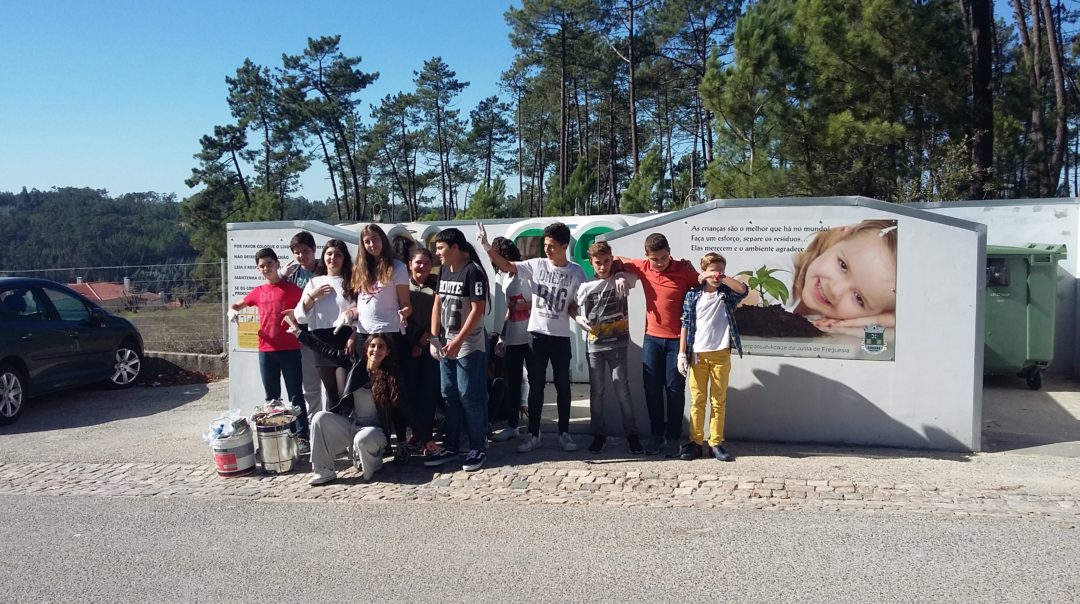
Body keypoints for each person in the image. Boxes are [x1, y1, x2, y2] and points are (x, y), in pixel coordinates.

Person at [477, 221, 586, 454]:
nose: (547, 250)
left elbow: (574, 305)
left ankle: (564, 433)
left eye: (552, 245)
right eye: (545, 245)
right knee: (536, 385)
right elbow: (507, 265)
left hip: (560, 336)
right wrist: (487, 246)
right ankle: (533, 434)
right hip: (536, 335)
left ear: (565, 245)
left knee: (563, 385)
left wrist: (580, 319)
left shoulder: (576, 271)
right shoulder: (537, 265)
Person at [613, 233, 701, 458]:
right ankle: (656, 436)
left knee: (674, 391)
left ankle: (673, 439)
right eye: (655, 259)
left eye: (664, 257)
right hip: (651, 338)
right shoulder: (643, 267)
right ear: (647, 256)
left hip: (677, 342)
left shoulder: (683, 270)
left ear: (669, 251)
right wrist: (620, 273)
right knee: (651, 390)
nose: (660, 263)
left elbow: (702, 285)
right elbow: (614, 259)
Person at [340, 224, 412, 464]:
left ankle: (401, 440)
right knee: (369, 390)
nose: (372, 245)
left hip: (390, 334)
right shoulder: (359, 269)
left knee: (394, 389)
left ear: (383, 240)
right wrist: (350, 321)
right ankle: (381, 439)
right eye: (367, 241)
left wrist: (404, 313)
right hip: (364, 335)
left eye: (375, 240)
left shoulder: (398, 268)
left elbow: (406, 304)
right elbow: (357, 306)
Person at [425, 228, 490, 471]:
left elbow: (477, 309)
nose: (437, 253)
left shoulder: (472, 271)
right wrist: (434, 336)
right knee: (448, 393)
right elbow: (438, 301)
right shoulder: (443, 270)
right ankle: (450, 444)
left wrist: (460, 341)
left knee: (468, 395)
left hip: (468, 345)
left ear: (455, 248)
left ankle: (477, 446)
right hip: (445, 342)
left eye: (441, 248)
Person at [228, 248, 308, 443]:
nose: (266, 268)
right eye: (261, 266)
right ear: (258, 269)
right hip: (266, 350)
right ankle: (275, 438)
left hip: (290, 349)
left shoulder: (292, 289)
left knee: (295, 394)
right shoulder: (258, 292)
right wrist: (232, 312)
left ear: (277, 263)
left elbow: (309, 306)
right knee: (272, 398)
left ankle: (302, 437)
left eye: (269, 264)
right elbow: (236, 305)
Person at [677, 252, 749, 462]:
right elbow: (685, 323)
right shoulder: (693, 295)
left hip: (721, 353)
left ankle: (715, 443)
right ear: (703, 272)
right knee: (697, 400)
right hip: (697, 354)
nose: (717, 276)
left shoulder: (726, 293)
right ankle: (695, 442)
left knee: (718, 401)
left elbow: (743, 290)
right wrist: (682, 353)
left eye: (720, 271)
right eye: (712, 271)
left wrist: (722, 276)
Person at [300, 333, 399, 486]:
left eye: (381, 347)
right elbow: (325, 350)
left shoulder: (391, 376)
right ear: (366, 349)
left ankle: (373, 462)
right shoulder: (355, 366)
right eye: (372, 346)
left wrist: (426, 440)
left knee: (363, 439)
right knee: (319, 418)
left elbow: (405, 408)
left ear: (387, 352)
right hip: (352, 425)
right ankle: (324, 471)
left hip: (375, 432)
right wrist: (300, 334)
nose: (376, 350)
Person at [573, 241, 642, 454]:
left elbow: (639, 270)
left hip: (618, 344)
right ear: (591, 264)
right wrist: (577, 318)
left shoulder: (622, 279)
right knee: (597, 391)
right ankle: (598, 434)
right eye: (598, 263)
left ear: (611, 259)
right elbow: (572, 306)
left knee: (622, 389)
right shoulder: (586, 286)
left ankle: (632, 434)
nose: (602, 266)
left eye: (606, 261)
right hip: (595, 345)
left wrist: (620, 270)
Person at [789, 219, 897, 329]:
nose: (835, 290)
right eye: (843, 265)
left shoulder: (834, 326)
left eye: (858, 298)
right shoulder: (779, 274)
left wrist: (877, 320)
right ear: (837, 240)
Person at [292, 239, 355, 415]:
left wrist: (354, 335)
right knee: (332, 395)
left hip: (344, 341)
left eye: (338, 255)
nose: (333, 258)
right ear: (323, 256)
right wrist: (312, 297)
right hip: (320, 342)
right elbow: (300, 317)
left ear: (344, 259)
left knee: (345, 393)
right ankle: (333, 437)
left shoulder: (351, 282)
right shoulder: (314, 282)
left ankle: (348, 431)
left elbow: (361, 312)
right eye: (329, 254)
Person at [402, 247, 445, 463]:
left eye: (427, 263)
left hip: (430, 345)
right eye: (418, 262)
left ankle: (426, 436)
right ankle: (413, 433)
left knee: (428, 392)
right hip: (406, 345)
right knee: (410, 392)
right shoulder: (403, 286)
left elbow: (440, 315)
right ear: (410, 264)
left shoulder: (436, 284)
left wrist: (423, 340)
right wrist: (414, 340)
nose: (422, 267)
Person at [281, 231, 322, 447]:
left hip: (326, 334)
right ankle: (315, 432)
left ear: (314, 249)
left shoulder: (326, 268)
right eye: (296, 252)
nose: (301, 256)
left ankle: (338, 430)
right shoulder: (292, 275)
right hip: (303, 335)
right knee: (311, 388)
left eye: (305, 251)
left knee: (337, 386)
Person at [488, 236, 531, 443]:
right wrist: (502, 336)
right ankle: (513, 425)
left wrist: (518, 308)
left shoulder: (525, 273)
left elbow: (539, 301)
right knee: (512, 381)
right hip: (513, 335)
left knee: (534, 379)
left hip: (531, 334)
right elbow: (508, 308)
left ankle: (534, 427)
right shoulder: (505, 278)